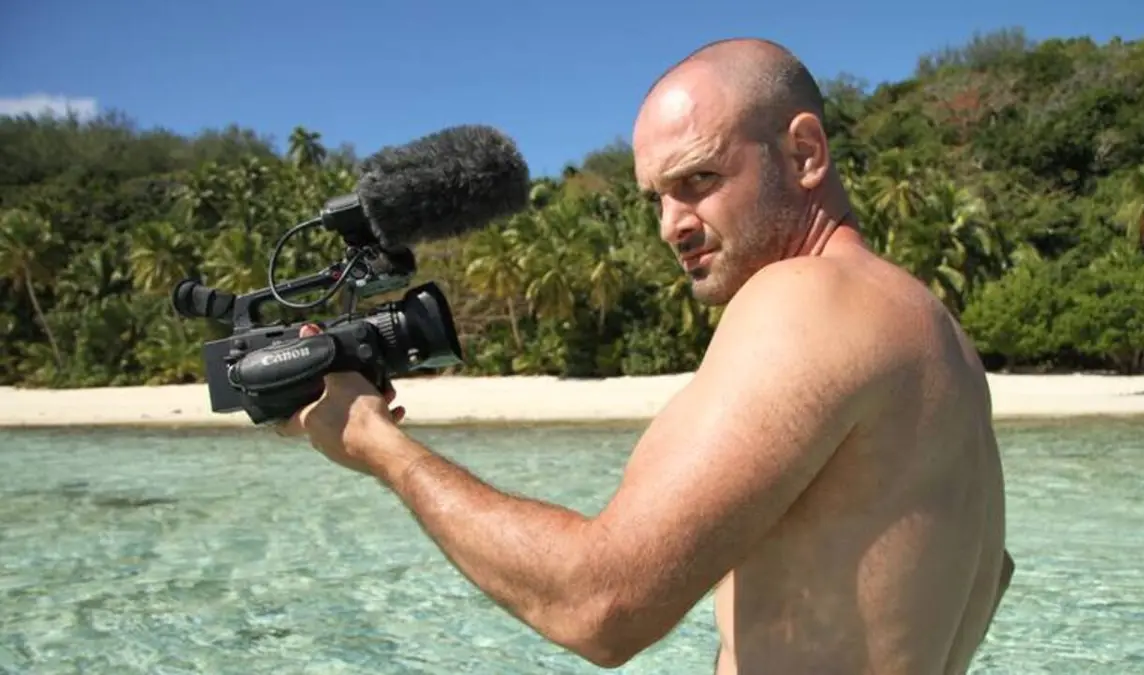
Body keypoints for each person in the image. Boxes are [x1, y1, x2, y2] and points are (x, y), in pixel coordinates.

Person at [279, 37, 1015, 674]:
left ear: (804, 153)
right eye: (655, 198)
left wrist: (375, 442)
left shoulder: (807, 297)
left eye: (699, 180)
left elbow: (599, 604)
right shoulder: (936, 337)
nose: (671, 226)